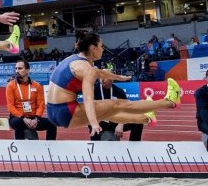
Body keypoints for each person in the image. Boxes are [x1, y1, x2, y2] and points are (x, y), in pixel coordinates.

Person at [45, 31, 181, 136]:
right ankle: (170, 101)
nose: (103, 49)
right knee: (117, 104)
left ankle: (145, 118)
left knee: (107, 113)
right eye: (101, 46)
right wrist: (93, 123)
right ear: (93, 48)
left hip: (52, 112)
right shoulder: (86, 69)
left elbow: (100, 72)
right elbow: (88, 99)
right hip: (66, 111)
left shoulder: (74, 60)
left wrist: (118, 77)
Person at [5, 59, 55, 140]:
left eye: (20, 68)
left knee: (52, 123)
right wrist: (23, 118)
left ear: (27, 70)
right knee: (18, 123)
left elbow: (40, 105)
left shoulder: (37, 86)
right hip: (18, 118)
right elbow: (10, 106)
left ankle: (50, 149)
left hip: (33, 118)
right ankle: (19, 149)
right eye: (16, 68)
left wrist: (36, 118)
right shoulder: (11, 86)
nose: (17, 71)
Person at [91, 75, 142, 142]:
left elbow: (125, 109)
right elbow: (90, 109)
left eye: (105, 77)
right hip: (99, 121)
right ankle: (96, 146)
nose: (103, 80)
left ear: (112, 79)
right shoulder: (93, 90)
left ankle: (134, 147)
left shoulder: (119, 91)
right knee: (93, 125)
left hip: (114, 121)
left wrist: (121, 124)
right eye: (101, 77)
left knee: (138, 122)